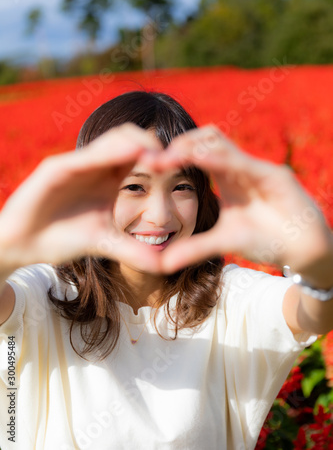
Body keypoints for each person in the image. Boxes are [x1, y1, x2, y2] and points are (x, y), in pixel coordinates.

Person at [0, 90, 332, 450]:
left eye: (182, 187)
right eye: (134, 187)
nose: (160, 215)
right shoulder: (43, 295)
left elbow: (313, 312)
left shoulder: (230, 301)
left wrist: (318, 266)